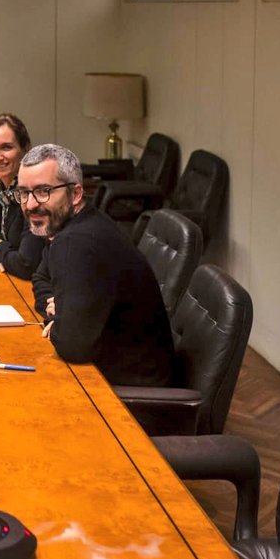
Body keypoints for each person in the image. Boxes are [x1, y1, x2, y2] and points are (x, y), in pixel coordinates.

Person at [21, 143, 174, 387]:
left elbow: (72, 346)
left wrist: (61, 316)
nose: (30, 204)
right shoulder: (76, 224)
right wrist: (62, 310)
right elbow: (41, 277)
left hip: (129, 398)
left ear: (76, 194)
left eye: (43, 191)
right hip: (108, 373)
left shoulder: (77, 242)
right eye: (24, 193)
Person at [0, 113, 45, 278]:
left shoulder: (34, 194)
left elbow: (27, 264)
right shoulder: (2, 185)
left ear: (25, 149)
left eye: (7, 147)